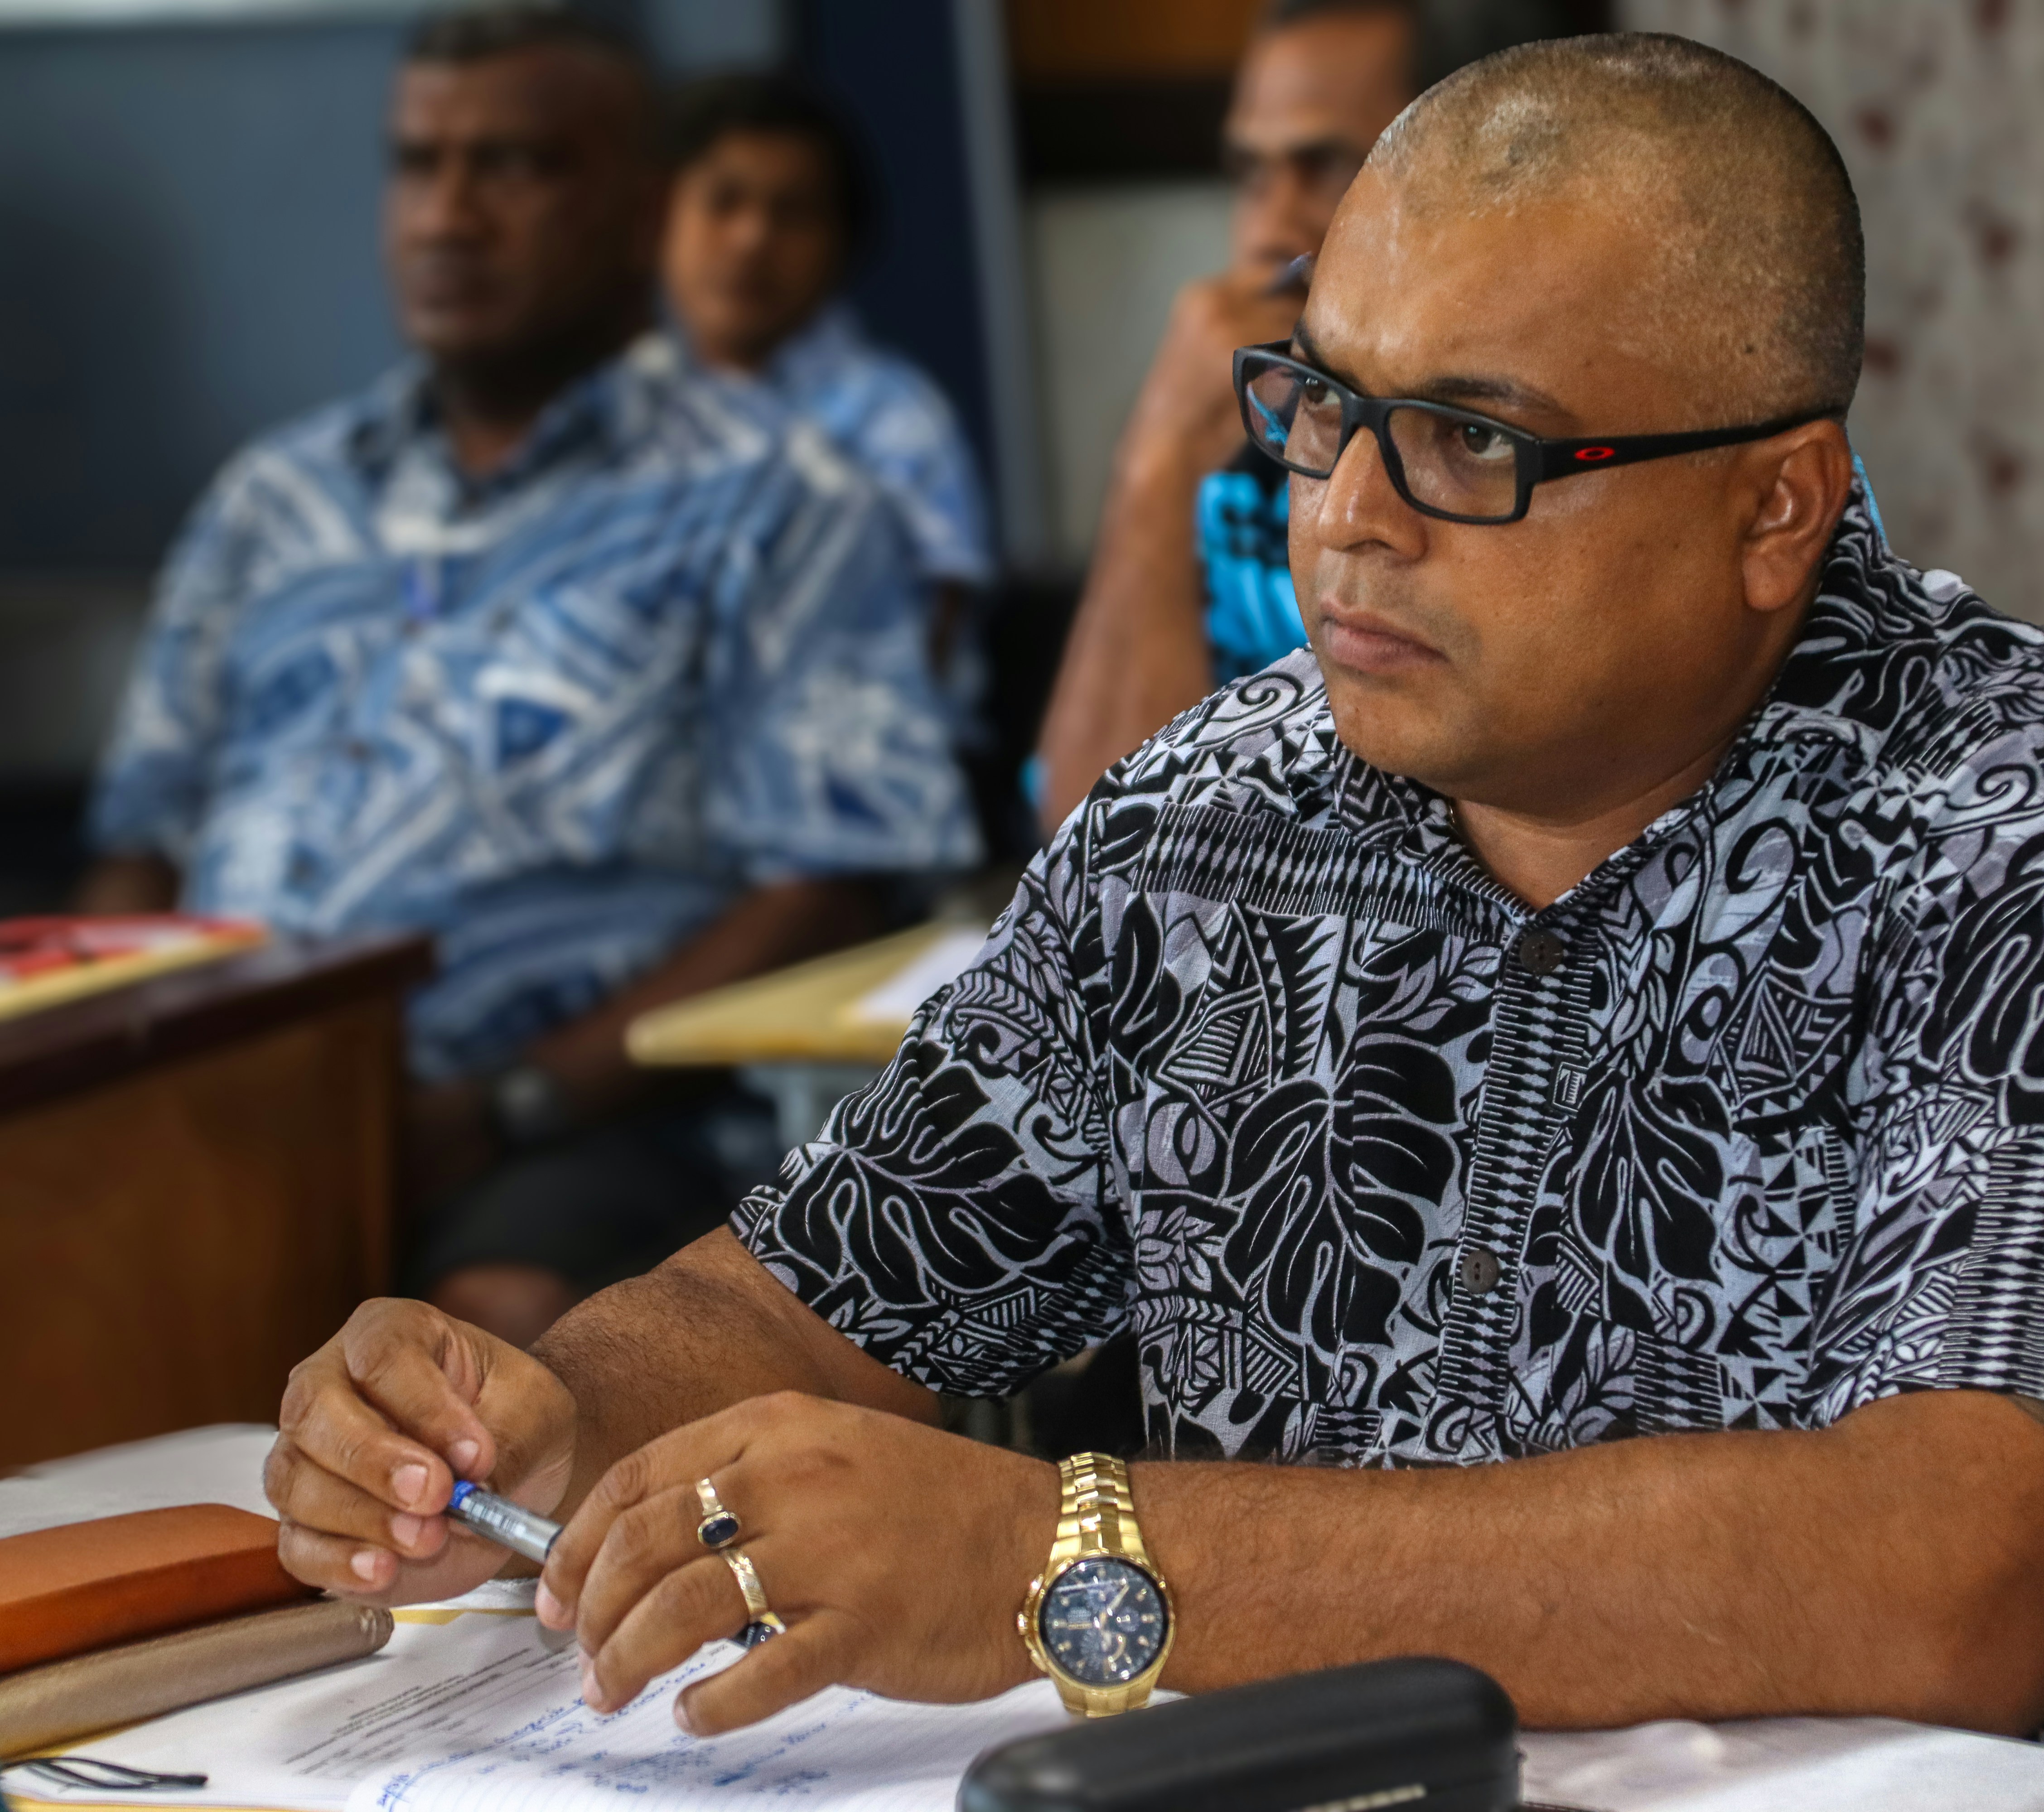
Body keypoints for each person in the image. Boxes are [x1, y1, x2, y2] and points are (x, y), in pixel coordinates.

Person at [262, 34, 2044, 1795]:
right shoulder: (1209, 818)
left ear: (1770, 507)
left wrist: (1059, 1549)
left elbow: (1946, 1575)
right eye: (1324, 404)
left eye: (1469, 440)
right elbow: (809, 1294)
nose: (1345, 519)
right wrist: (543, 1404)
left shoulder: (2031, 832)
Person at [77, 6, 977, 1350]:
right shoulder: (276, 501)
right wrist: (126, 1074)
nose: (448, 216)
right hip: (237, 1123)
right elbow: (140, 848)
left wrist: (515, 1103)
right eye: (419, 164)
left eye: (512, 167)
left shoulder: (777, 497)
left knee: (475, 1367)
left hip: (575, 1126)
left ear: (639, 209)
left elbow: (832, 886)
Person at [1031, 0, 1423, 832]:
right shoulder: (1237, 443)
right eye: (1251, 175)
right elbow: (1085, 835)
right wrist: (1159, 459)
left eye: (1320, 167)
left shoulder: (1496, 461)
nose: (1268, 227)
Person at [657, 72, 993, 684]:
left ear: (843, 242)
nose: (752, 239)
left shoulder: (893, 416)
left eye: (791, 213)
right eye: (723, 201)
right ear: (656, 215)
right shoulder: (612, 399)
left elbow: (930, 641)